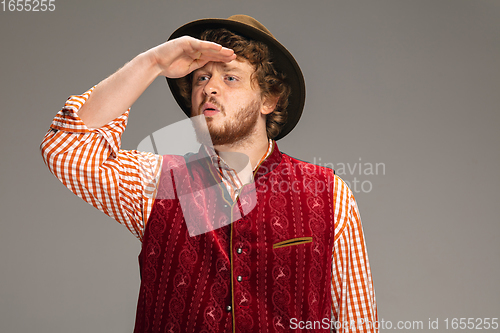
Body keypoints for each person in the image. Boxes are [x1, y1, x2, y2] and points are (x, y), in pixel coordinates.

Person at [40, 15, 378, 333]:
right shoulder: (156, 182)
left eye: (230, 77)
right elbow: (67, 148)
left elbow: (359, 324)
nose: (209, 88)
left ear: (270, 100)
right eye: (202, 78)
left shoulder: (329, 194)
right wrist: (152, 64)